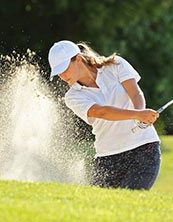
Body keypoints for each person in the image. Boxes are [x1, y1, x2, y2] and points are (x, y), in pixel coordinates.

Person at [48, 40, 161, 190]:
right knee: (98, 210)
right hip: (108, 158)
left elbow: (135, 93)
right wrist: (138, 115)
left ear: (78, 59)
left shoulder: (115, 65)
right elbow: (101, 112)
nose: (62, 76)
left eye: (64, 69)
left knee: (130, 203)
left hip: (144, 149)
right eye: (58, 72)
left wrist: (140, 115)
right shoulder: (72, 96)